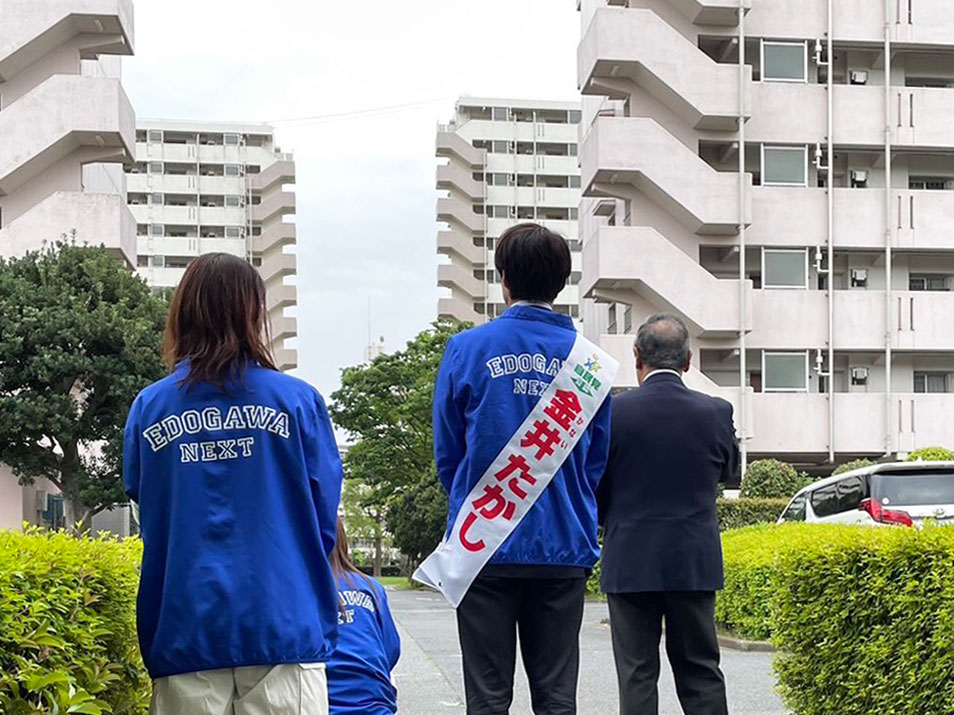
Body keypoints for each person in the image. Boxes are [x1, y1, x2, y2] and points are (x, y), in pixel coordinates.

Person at [122, 253, 343, 715]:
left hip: (186, 628)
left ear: (183, 313)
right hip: (283, 623)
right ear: (254, 314)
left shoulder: (150, 409)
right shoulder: (298, 402)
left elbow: (147, 506)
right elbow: (323, 519)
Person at [427, 223, 614, 715]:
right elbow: (595, 462)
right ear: (561, 280)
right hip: (564, 545)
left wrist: (483, 499)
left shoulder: (467, 350)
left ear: (503, 278)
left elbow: (449, 454)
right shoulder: (590, 363)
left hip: (483, 543)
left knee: (487, 699)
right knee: (556, 698)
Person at [597, 314, 738, 715]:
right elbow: (728, 473)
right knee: (700, 670)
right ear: (688, 360)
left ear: (637, 356)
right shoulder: (716, 412)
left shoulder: (611, 413)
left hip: (630, 559)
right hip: (693, 560)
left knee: (637, 674)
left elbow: (596, 486)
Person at [327, 520, 401, 715]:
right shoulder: (371, 587)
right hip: (375, 703)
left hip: (323, 703)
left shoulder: (299, 591)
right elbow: (391, 648)